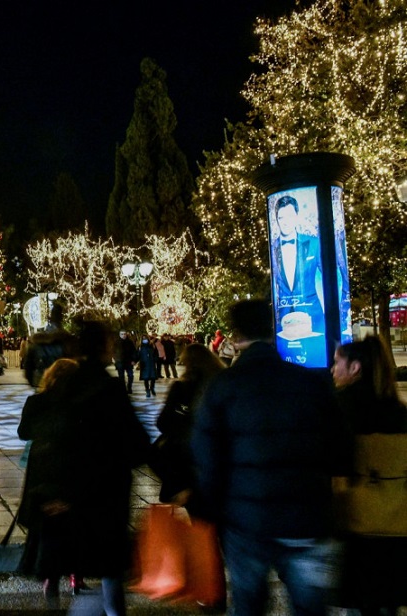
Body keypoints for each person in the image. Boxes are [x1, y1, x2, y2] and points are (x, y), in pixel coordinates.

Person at [190, 299, 352, 616]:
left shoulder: (221, 387)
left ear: (235, 338)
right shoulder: (309, 383)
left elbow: (206, 459)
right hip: (306, 518)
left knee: (248, 605)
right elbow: (341, 450)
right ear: (274, 332)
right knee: (310, 609)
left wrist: (208, 510)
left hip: (246, 522)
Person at [33, 319, 151, 612]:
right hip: (106, 493)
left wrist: (51, 490)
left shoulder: (63, 385)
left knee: (89, 559)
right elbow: (136, 443)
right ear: (105, 346)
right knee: (110, 566)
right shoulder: (107, 387)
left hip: (71, 494)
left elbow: (47, 439)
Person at [331, 336, 407, 616]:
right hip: (398, 526)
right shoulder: (399, 412)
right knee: (389, 602)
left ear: (355, 368)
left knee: (360, 605)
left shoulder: (340, 409)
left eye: (338, 362)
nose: (332, 369)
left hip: (357, 527)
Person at [16, 357, 82, 605]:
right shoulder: (78, 404)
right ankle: (77, 574)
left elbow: (23, 432)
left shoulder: (36, 401)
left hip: (42, 468)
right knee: (72, 521)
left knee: (47, 524)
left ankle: (50, 578)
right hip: (69, 468)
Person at [152, 343, 224, 508]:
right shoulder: (221, 385)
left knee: (198, 516)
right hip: (218, 462)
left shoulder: (181, 388)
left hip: (188, 464)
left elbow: (163, 422)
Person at [271, 194, 325, 338]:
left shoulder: (314, 243)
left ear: (296, 216)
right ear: (276, 220)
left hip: (313, 316)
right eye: (281, 218)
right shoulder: (271, 249)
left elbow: (330, 278)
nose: (285, 222)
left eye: (289, 217)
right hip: (283, 319)